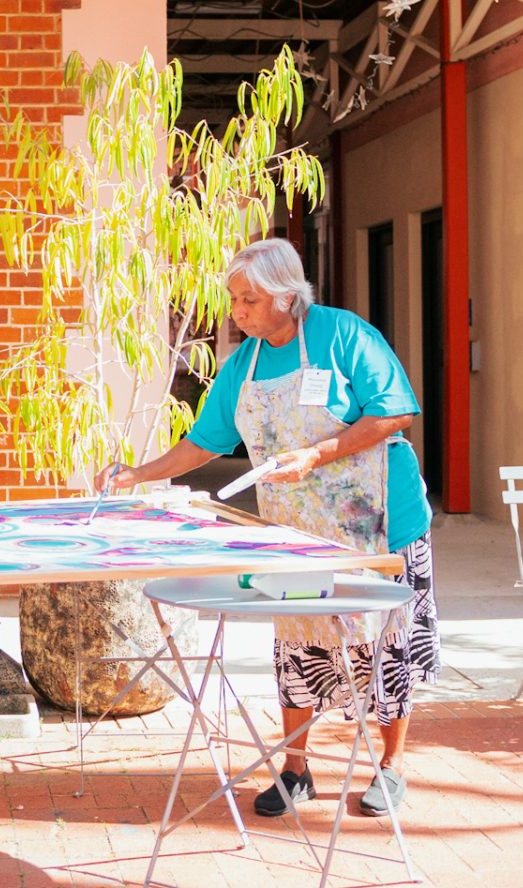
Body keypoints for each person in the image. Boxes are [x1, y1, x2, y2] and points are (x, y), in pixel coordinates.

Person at [97, 237, 438, 818]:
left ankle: (391, 766)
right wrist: (139, 473)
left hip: (381, 522)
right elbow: (204, 441)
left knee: (385, 645)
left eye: (249, 299)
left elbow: (395, 410)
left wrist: (320, 453)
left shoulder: (344, 335)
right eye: (234, 299)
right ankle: (295, 767)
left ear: (287, 296)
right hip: (296, 531)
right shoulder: (244, 364)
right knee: (299, 644)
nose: (237, 311)